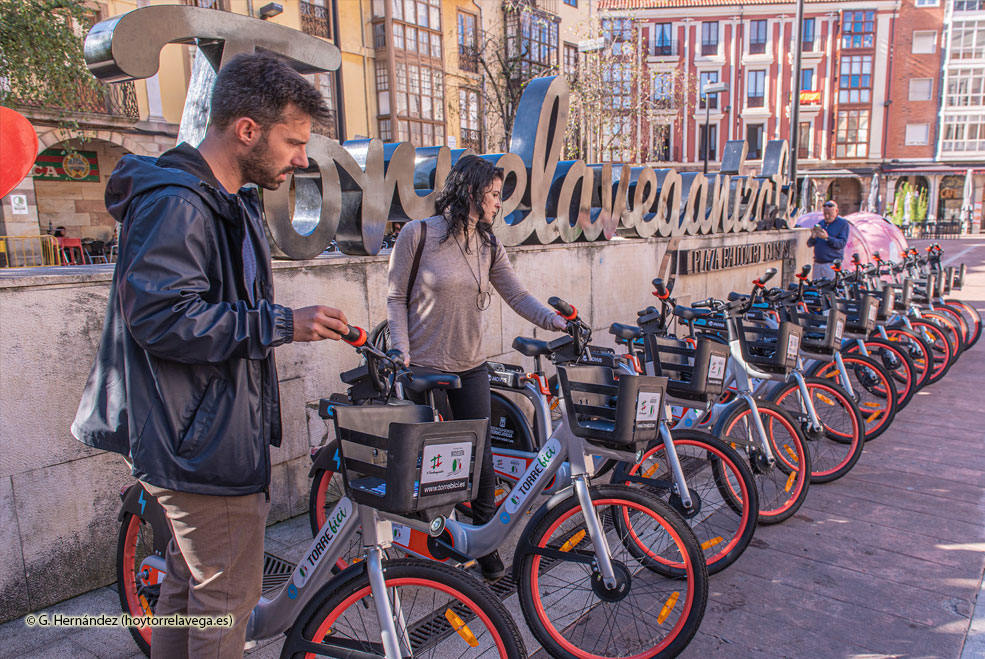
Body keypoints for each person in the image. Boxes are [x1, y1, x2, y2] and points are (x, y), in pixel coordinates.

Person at [71, 53, 349, 659]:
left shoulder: (223, 198)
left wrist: (279, 320)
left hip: (194, 436)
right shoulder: (183, 202)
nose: (301, 158)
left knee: (186, 593)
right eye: (293, 141)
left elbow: (199, 303)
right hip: (198, 447)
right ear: (247, 130)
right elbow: (162, 317)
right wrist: (282, 324)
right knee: (225, 608)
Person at [386, 155, 568, 580]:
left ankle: (484, 542)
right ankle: (430, 533)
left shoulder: (488, 245)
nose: (498, 203)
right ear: (470, 191)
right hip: (424, 370)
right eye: (493, 194)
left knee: (481, 457)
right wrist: (401, 350)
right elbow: (396, 298)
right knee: (436, 463)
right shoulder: (418, 234)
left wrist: (556, 321)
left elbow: (518, 296)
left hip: (470, 366)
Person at [807, 200, 851, 279]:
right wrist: (813, 237)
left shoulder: (843, 224)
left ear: (836, 211)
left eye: (829, 214)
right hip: (818, 263)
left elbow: (841, 244)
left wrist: (827, 238)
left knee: (831, 289)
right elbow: (809, 244)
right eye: (825, 214)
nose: (827, 216)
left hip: (832, 264)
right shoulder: (821, 223)